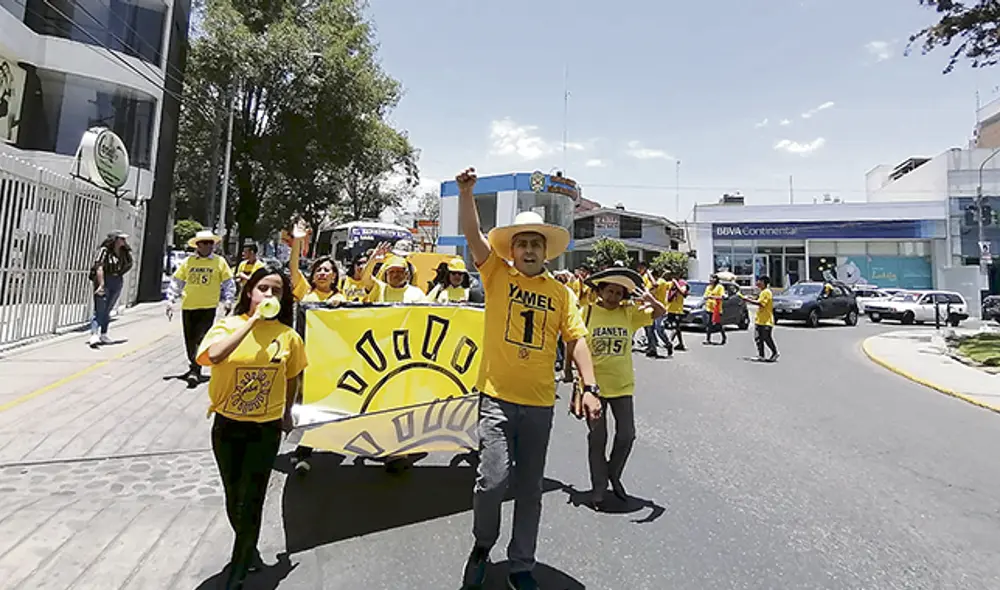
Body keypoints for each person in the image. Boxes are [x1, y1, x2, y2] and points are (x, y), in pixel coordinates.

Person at [455, 168, 600, 590]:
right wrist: (467, 193)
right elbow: (472, 234)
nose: (530, 249)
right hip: (497, 398)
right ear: (512, 251)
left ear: (546, 252)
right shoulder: (497, 274)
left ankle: (521, 564)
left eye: (537, 243)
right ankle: (483, 545)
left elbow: (576, 339)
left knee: (530, 488)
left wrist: (589, 387)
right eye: (523, 243)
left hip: (538, 402)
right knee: (493, 480)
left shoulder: (561, 294)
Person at [196, 266, 306, 590]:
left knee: (252, 499)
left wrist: (287, 413)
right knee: (234, 497)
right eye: (263, 289)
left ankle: (238, 569)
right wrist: (253, 323)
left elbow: (292, 377)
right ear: (250, 292)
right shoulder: (227, 327)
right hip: (227, 425)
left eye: (276, 291)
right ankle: (250, 551)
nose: (269, 296)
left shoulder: (289, 337)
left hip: (265, 429)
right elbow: (212, 356)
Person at [578, 267, 665, 509]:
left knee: (627, 434)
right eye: (610, 291)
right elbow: (574, 342)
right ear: (600, 291)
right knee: (598, 438)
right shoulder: (586, 312)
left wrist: (650, 299)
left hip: (622, 385)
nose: (614, 296)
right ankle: (598, 488)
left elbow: (660, 312)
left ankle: (612, 473)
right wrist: (571, 375)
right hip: (593, 387)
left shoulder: (629, 314)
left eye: (619, 293)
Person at [287, 222, 345, 475]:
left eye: (327, 270)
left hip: (330, 363)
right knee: (302, 403)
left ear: (335, 276)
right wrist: (298, 241)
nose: (322, 273)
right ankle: (303, 450)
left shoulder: (341, 299)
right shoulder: (304, 292)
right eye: (319, 270)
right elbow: (292, 268)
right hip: (304, 360)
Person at [166, 230, 236, 387]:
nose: (208, 246)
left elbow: (228, 282)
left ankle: (195, 370)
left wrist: (228, 300)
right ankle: (193, 365)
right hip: (189, 306)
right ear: (197, 245)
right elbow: (177, 281)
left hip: (208, 307)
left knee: (201, 338)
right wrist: (170, 300)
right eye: (205, 243)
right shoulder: (188, 262)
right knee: (189, 340)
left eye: (211, 243)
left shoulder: (219, 262)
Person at [88, 230, 133, 348]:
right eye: (121, 239)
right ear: (115, 239)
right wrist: (101, 284)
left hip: (116, 280)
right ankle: (94, 334)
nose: (124, 241)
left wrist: (120, 274)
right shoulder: (104, 251)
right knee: (100, 308)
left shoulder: (124, 252)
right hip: (104, 279)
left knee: (108, 308)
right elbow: (99, 267)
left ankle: (104, 333)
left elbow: (129, 264)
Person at [361, 242, 425, 303]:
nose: (395, 275)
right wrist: (372, 261)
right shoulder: (379, 289)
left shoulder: (417, 293)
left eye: (399, 271)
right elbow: (365, 278)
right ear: (386, 274)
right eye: (391, 272)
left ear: (406, 274)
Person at [741, 275, 779, 362]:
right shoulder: (762, 292)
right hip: (760, 320)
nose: (757, 282)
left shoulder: (766, 292)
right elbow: (757, 299)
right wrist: (749, 297)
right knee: (758, 338)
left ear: (764, 283)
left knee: (766, 337)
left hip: (766, 320)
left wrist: (748, 300)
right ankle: (761, 355)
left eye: (759, 281)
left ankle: (774, 352)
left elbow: (761, 303)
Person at [662, 269, 688, 351]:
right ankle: (681, 344)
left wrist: (676, 283)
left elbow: (683, 292)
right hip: (670, 308)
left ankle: (669, 341)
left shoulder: (682, 283)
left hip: (678, 309)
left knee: (675, 326)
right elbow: (661, 284)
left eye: (675, 274)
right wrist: (664, 274)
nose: (673, 276)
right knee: (677, 328)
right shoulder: (670, 283)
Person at [703, 273, 727, 346]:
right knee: (708, 324)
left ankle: (723, 336)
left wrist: (713, 297)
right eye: (710, 278)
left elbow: (722, 297)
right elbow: (705, 296)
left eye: (713, 278)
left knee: (718, 324)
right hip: (709, 308)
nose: (711, 280)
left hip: (716, 308)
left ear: (716, 279)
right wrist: (707, 297)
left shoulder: (720, 287)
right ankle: (708, 339)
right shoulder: (708, 287)